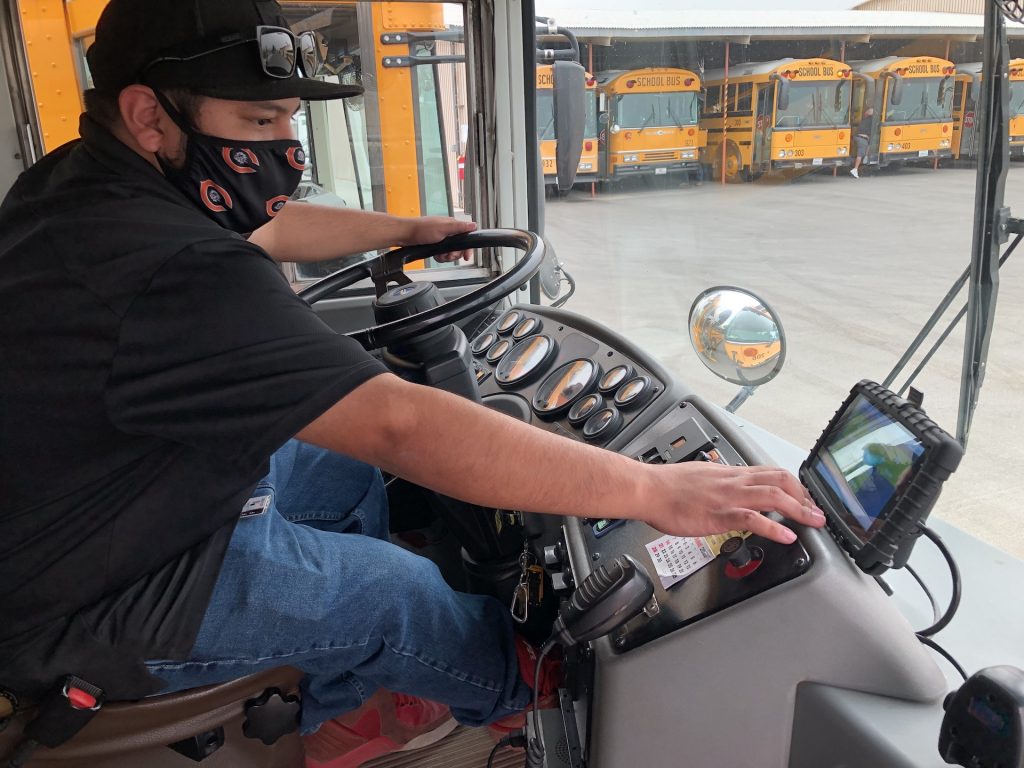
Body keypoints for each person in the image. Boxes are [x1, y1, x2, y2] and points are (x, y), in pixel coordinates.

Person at [0, 0, 826, 764]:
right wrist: (650, 492)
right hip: (86, 599)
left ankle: (350, 687)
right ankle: (507, 703)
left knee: (341, 471)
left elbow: (273, 221)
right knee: (401, 594)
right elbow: (402, 425)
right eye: (261, 120)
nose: (285, 146)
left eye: (290, 118)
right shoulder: (173, 265)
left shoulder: (84, 184)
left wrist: (410, 231)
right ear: (150, 114)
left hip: (122, 501)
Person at [850, 107, 874, 179]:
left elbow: (868, 112)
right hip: (862, 139)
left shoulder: (865, 119)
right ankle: (855, 169)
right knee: (860, 155)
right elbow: (870, 111)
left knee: (860, 153)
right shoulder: (872, 120)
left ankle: (857, 167)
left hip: (857, 137)